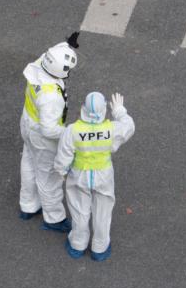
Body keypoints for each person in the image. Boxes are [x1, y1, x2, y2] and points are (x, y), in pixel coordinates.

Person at [53, 91, 135, 261]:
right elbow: (129, 126)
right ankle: (99, 248)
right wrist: (119, 111)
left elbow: (63, 156)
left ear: (83, 108)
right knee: (103, 212)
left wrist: (61, 172)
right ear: (104, 109)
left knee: (79, 210)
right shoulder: (110, 129)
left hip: (79, 176)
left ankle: (77, 245)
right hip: (103, 175)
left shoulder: (72, 130)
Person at [19, 32, 80, 233]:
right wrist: (70, 133)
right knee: (48, 175)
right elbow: (49, 129)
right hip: (42, 135)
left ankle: (28, 205)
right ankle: (53, 218)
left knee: (28, 162)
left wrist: (67, 44)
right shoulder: (51, 97)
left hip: (28, 122)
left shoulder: (40, 66)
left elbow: (54, 55)